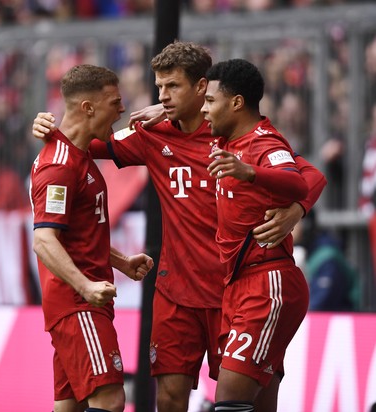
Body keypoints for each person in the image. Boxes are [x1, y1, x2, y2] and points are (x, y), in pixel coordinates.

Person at [33, 41, 327, 412]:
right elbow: (83, 142)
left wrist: (297, 210)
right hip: (176, 291)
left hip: (233, 287)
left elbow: (310, 174)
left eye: (172, 87)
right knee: (170, 397)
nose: (163, 96)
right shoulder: (151, 133)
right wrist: (51, 127)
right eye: (159, 87)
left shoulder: (230, 131)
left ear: (202, 87)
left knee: (252, 400)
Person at [29, 64, 154, 412]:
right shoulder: (59, 165)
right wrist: (85, 286)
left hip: (79, 300)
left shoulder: (77, 153)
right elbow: (44, 241)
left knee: (69, 406)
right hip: (78, 303)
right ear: (88, 107)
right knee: (111, 400)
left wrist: (122, 261)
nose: (122, 108)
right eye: (115, 101)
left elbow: (79, 232)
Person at [203, 58, 315, 411]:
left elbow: (301, 179)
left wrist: (250, 173)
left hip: (268, 284)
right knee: (259, 404)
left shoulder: (263, 143)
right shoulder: (224, 140)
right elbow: (315, 176)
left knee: (229, 401)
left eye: (210, 100)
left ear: (236, 103)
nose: (204, 109)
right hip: (237, 286)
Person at [292, 209, 360, 312]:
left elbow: (318, 305)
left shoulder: (327, 258)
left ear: (306, 225)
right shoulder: (305, 252)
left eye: (291, 221)